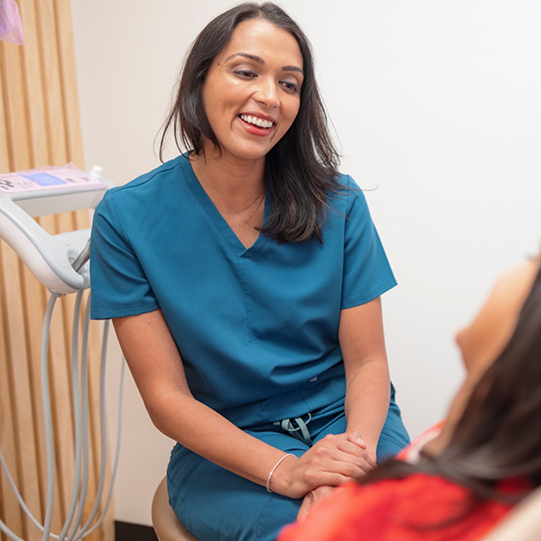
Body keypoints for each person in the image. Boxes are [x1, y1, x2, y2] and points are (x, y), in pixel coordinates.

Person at [89, 3, 410, 540]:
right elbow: (166, 398)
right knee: (314, 532)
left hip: (346, 423)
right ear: (201, 78)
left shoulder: (339, 202)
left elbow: (368, 359)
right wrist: (287, 471)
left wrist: (350, 457)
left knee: (394, 521)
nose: (269, 96)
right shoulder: (127, 218)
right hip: (228, 448)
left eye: (289, 83)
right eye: (245, 71)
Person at [279, 253, 541, 541]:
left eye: (533, 263)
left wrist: (340, 476)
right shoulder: (473, 432)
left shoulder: (374, 522)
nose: (533, 261)